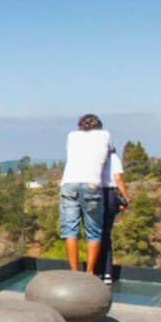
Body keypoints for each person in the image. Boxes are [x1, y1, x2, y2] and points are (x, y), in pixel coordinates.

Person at [57, 114, 112, 272]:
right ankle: (89, 272)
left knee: (69, 230)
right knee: (93, 230)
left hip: (69, 183)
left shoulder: (72, 136)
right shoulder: (105, 135)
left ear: (81, 125)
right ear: (99, 125)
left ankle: (74, 272)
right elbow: (107, 155)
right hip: (92, 184)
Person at [91, 145, 130, 284]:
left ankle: (94, 270)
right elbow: (118, 179)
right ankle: (107, 272)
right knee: (106, 234)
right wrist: (126, 197)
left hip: (95, 194)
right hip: (110, 195)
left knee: (94, 234)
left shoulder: (94, 158)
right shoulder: (114, 158)